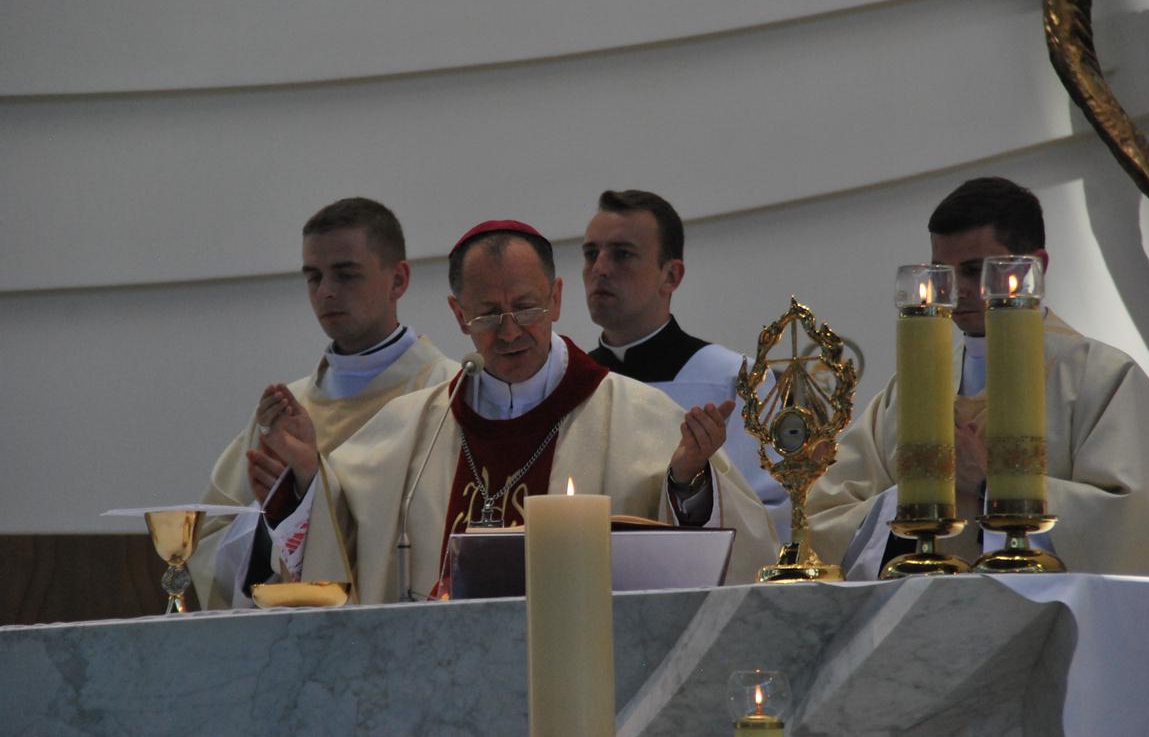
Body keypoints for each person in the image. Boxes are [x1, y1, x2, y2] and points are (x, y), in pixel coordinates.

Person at [251, 220, 779, 604]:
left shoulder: (638, 417)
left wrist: (688, 482)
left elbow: (732, 554)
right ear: (459, 314)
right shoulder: (412, 430)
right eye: (487, 314)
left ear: (556, 298)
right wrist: (306, 478)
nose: (509, 331)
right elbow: (339, 541)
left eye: (526, 307)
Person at [807, 177, 1149, 578]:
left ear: (1035, 267)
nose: (956, 291)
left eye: (974, 271)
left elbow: (1130, 523)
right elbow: (827, 518)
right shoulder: (909, 392)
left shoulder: (1101, 378)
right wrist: (922, 493)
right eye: (943, 273)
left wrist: (992, 485)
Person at [189, 197, 457, 608]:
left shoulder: (448, 394)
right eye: (313, 277)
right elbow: (210, 542)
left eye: (346, 275)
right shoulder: (284, 409)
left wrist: (309, 494)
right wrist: (275, 516)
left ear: (398, 280)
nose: (326, 292)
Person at [581, 189, 789, 539]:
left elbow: (772, 517)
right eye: (591, 254)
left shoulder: (738, 381)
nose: (600, 269)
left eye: (622, 254)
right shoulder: (572, 385)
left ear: (671, 275)